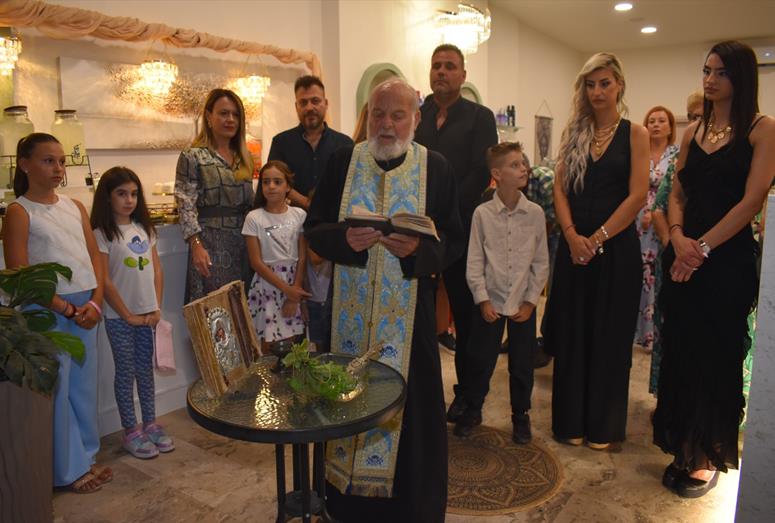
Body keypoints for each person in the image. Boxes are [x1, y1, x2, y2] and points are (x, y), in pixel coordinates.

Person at [305, 78, 463, 522]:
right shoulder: (342, 162)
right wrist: (345, 240)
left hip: (410, 324)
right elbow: (314, 229)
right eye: (378, 114)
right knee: (344, 406)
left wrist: (418, 251)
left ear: (416, 118)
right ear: (367, 116)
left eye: (397, 115)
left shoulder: (436, 168)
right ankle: (346, 505)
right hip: (348, 321)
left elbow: (454, 240)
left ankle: (412, 509)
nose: (387, 124)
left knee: (414, 418)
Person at [653, 40, 775, 498]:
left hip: (724, 261)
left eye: (721, 72)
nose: (710, 79)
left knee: (715, 357)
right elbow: (677, 193)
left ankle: (706, 455)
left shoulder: (762, 130)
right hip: (684, 255)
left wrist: (701, 248)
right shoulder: (694, 131)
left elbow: (752, 200)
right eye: (706, 70)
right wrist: (678, 237)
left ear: (740, 77)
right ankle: (682, 445)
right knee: (682, 353)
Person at [542, 52, 649, 450]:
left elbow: (638, 195)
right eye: (590, 84)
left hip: (616, 251)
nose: (597, 91)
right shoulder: (574, 131)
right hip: (574, 251)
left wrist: (598, 238)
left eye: (605, 83)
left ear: (619, 85)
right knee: (572, 336)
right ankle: (569, 422)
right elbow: (559, 189)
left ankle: (602, 428)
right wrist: (572, 236)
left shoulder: (635, 134)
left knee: (609, 339)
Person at [2, 133, 109, 493]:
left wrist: (95, 302)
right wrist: (66, 308)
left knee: (84, 387)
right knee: (58, 390)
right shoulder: (19, 212)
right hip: (48, 311)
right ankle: (67, 470)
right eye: (48, 160)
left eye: (61, 161)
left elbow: (94, 257)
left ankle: (87, 456)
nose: (58, 168)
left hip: (86, 309)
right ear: (25, 165)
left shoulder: (75, 205)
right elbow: (19, 273)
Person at [414, 43, 498, 421]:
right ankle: (422, 394)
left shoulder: (479, 117)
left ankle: (469, 398)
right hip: (420, 231)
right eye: (436, 66)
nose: (442, 72)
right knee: (422, 317)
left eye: (450, 66)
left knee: (467, 319)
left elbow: (480, 173)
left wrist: (443, 213)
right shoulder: (419, 116)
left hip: (463, 232)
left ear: (463, 75)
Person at [454, 142, 549, 443]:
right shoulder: (482, 214)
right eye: (515, 165)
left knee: (522, 365)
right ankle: (473, 409)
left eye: (523, 163)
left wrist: (531, 301)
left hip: (522, 303)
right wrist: (482, 298)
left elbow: (541, 262)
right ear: (497, 174)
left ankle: (521, 415)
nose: (523, 169)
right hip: (490, 302)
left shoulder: (534, 214)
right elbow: (474, 260)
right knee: (480, 360)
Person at [90, 166, 174, 459]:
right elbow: (105, 280)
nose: (129, 200)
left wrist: (156, 307)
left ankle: (150, 424)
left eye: (134, 194)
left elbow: (157, 270)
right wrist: (126, 315)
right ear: (107, 197)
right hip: (119, 319)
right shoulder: (101, 234)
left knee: (145, 372)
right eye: (121, 194)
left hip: (148, 316)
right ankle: (130, 430)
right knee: (125, 373)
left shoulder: (145, 230)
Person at [175, 88, 254, 303]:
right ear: (209, 117)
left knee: (242, 310)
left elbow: (251, 204)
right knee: (214, 311)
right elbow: (185, 204)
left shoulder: (245, 157)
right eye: (224, 113)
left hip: (244, 244)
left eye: (236, 115)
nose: (231, 119)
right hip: (210, 245)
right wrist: (196, 244)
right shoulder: (193, 156)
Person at [242, 161, 310, 348]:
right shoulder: (254, 218)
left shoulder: (299, 215)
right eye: (266, 182)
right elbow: (256, 262)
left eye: (277, 182)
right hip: (267, 284)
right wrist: (286, 290)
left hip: (293, 282)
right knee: (266, 344)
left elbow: (302, 257)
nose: (271, 186)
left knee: (291, 344)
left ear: (288, 187)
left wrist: (294, 292)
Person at [268, 75, 354, 209]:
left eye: (315, 101)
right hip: (291, 218)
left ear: (326, 104)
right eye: (303, 102)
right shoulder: (281, 142)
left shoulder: (345, 144)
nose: (309, 107)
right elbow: (274, 180)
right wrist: (306, 203)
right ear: (296, 106)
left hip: (332, 219)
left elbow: (351, 185)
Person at [634, 107, 680, 354]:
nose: (656, 125)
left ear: (671, 127)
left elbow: (676, 191)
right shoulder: (638, 151)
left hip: (663, 218)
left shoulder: (677, 154)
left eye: (662, 121)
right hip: (636, 218)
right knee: (635, 272)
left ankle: (652, 334)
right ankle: (633, 332)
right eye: (651, 121)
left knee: (655, 274)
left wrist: (655, 212)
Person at [302, 187, 333, 353]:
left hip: (331, 298)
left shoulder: (334, 227)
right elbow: (314, 258)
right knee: (318, 346)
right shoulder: (309, 229)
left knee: (330, 344)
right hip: (314, 298)